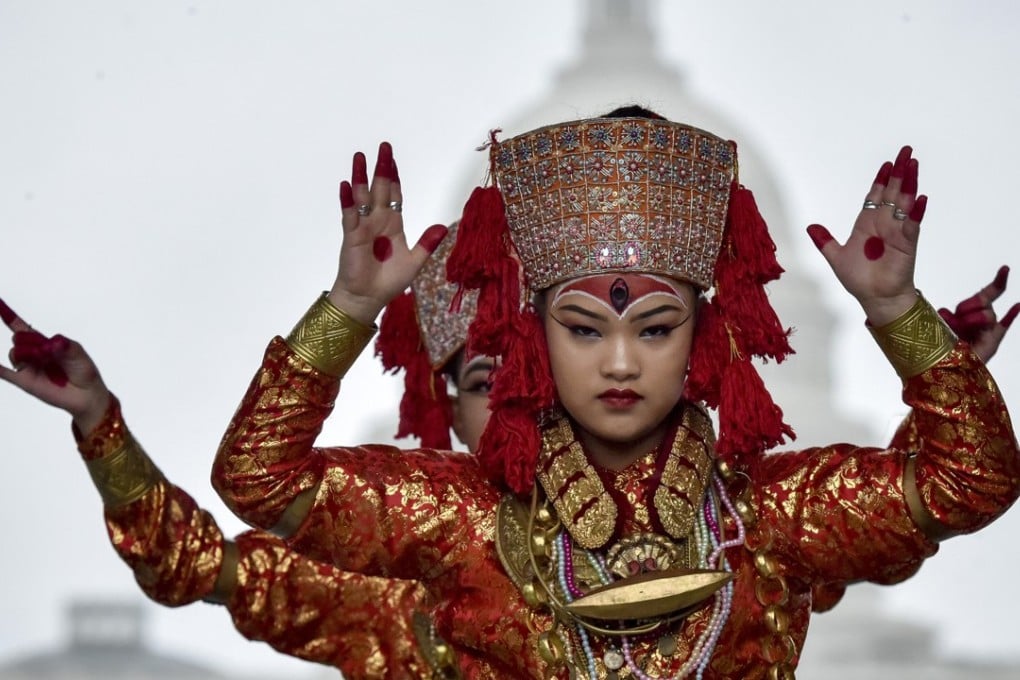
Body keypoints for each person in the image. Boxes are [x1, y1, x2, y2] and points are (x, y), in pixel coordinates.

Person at [210, 109, 1020, 680]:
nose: (623, 364)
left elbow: (971, 484)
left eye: (658, 328)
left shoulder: (770, 520)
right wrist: (349, 309)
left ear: (707, 336)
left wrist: (897, 314)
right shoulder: (462, 520)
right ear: (533, 341)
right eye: (587, 330)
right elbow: (258, 481)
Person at [0, 217, 489, 679]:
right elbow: (189, 560)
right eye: (485, 382)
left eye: (531, 374)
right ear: (450, 413)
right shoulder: (388, 589)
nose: (515, 398)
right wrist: (97, 420)